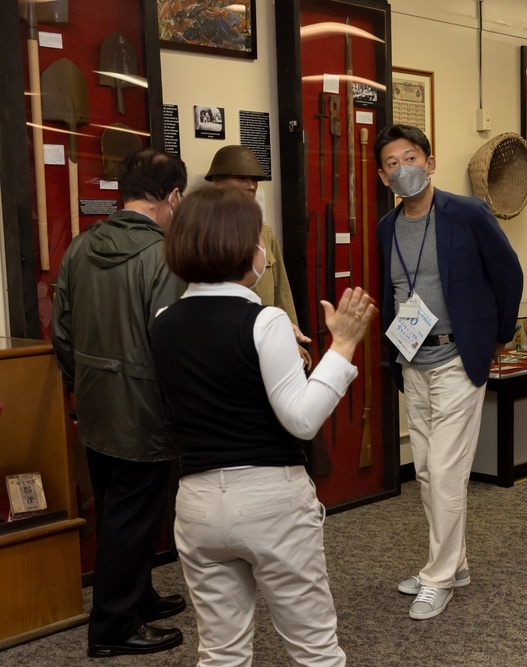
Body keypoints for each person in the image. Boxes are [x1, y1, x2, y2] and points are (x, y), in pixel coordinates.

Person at [150, 186, 373, 665]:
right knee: (315, 650)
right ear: (244, 250)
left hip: (198, 505)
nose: (262, 253)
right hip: (271, 501)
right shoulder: (265, 321)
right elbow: (302, 420)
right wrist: (344, 346)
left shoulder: (164, 321)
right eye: (258, 241)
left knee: (221, 652)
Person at [373, 124, 523, 620]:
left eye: (411, 157)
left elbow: (509, 274)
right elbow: (390, 293)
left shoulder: (468, 213)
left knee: (446, 469)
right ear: (381, 176)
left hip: (459, 358)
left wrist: (498, 336)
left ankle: (437, 577)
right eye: (392, 163)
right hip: (411, 360)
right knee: (425, 470)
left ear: (430, 162)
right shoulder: (386, 228)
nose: (403, 169)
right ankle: (452, 562)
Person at [51, 148, 189, 658]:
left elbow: (59, 328)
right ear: (173, 197)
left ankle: (138, 596)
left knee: (117, 507)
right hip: (144, 408)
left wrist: (82, 378)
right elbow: (170, 341)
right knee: (134, 515)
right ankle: (112, 627)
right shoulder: (164, 254)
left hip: (94, 401)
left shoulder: (81, 247)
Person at [205, 145, 312, 369]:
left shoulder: (264, 233)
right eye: (241, 178)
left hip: (266, 343)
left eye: (254, 179)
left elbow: (281, 292)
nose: (251, 186)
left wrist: (292, 334)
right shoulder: (201, 233)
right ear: (217, 180)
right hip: (224, 347)